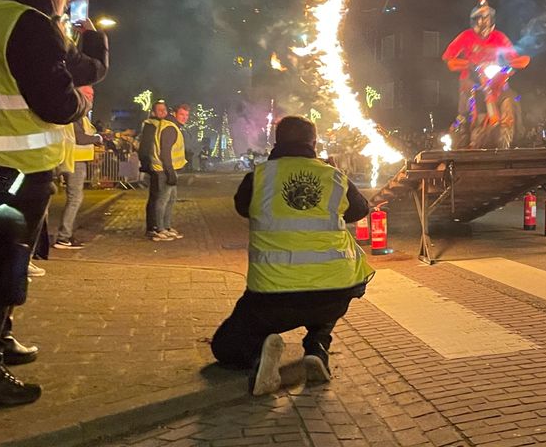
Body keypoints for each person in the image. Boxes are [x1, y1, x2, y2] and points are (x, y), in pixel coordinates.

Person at [0, 0, 105, 406]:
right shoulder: (29, 23)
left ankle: (0, 339)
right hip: (18, 170)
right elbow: (54, 103)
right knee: (3, 270)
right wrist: (79, 104)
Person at [211, 116, 374, 395]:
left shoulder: (260, 177)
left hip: (272, 298)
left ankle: (260, 355)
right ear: (314, 143)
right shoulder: (334, 176)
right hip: (332, 294)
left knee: (224, 347)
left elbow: (242, 207)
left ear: (277, 142)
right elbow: (360, 210)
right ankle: (317, 346)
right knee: (338, 289)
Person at [441, 0, 529, 141]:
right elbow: (448, 57)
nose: (483, 21)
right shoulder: (466, 36)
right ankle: (463, 127)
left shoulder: (499, 37)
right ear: (474, 20)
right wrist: (466, 64)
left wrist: (514, 63)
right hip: (471, 77)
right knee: (465, 105)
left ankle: (518, 129)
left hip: (493, 77)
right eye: (480, 18)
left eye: (486, 17)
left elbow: (512, 55)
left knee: (513, 96)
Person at [54, 87, 102, 250]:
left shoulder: (78, 115)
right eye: (87, 94)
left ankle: (63, 235)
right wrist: (97, 138)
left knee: (72, 198)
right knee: (75, 199)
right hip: (74, 160)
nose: (91, 97)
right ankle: (64, 237)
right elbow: (79, 138)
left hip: (72, 159)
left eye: (92, 94)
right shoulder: (75, 114)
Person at [139, 102, 188, 241]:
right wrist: (169, 171)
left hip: (166, 168)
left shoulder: (168, 125)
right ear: (174, 114)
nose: (185, 117)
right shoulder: (168, 127)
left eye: (186, 115)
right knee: (161, 199)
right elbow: (164, 152)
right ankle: (158, 229)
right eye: (182, 114)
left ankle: (165, 227)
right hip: (163, 169)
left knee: (170, 199)